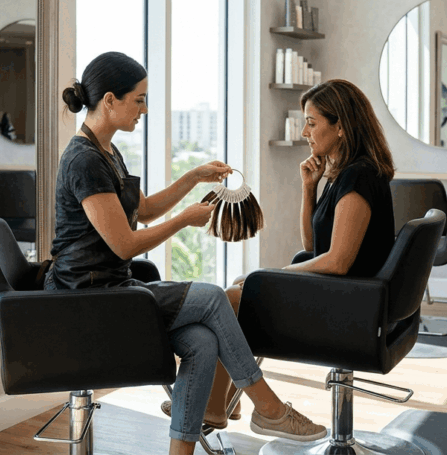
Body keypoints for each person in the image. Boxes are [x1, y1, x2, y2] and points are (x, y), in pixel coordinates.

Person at [50, 51, 325, 455]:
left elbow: (142, 212)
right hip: (89, 298)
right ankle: (267, 407)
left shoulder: (106, 151)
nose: (144, 109)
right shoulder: (84, 161)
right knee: (214, 296)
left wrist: (194, 176)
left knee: (200, 341)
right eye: (138, 99)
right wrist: (185, 220)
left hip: (113, 288)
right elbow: (125, 243)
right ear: (109, 100)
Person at [176, 78, 398, 428]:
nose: (305, 132)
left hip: (352, 306)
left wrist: (271, 277)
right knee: (238, 288)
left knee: (232, 296)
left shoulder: (359, 177)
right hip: (350, 296)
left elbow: (337, 262)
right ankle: (223, 403)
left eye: (312, 122)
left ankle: (216, 404)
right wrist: (309, 189)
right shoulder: (344, 174)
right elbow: (313, 247)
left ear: (340, 126)